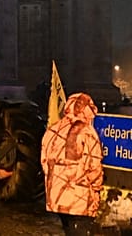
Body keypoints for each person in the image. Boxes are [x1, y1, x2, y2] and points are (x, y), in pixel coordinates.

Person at [41, 92, 103, 235]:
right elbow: (94, 166)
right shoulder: (87, 132)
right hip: (80, 198)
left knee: (69, 230)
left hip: (57, 197)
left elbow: (45, 161)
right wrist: (96, 189)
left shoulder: (53, 129)